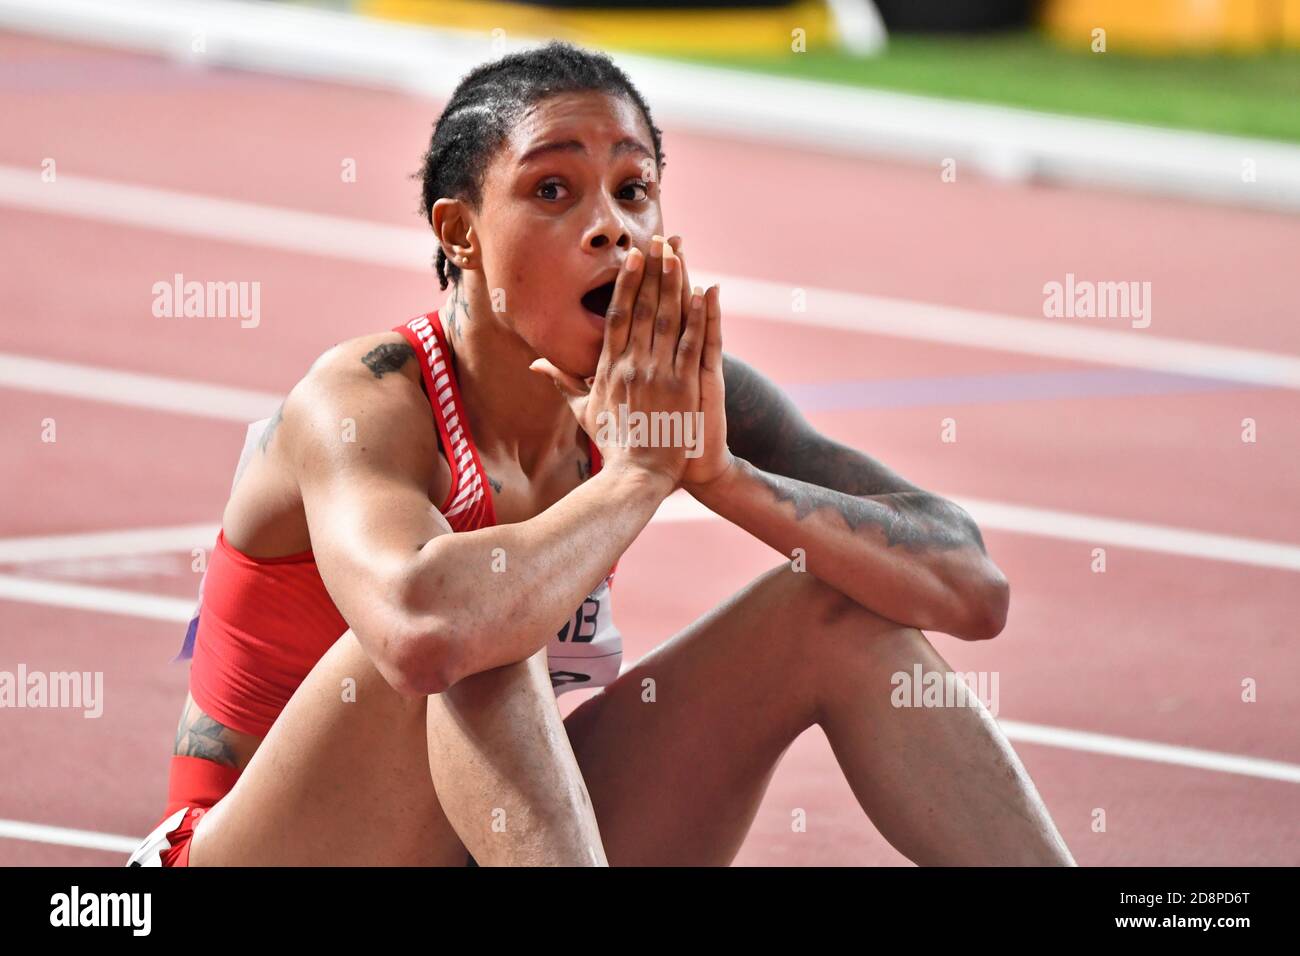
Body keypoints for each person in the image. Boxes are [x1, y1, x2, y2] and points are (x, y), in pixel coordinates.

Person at [127, 41, 1074, 867]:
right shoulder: (364, 399)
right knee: (481, 629)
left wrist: (721, 476)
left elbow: (970, 588)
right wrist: (637, 477)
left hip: (487, 846)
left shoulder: (671, 391)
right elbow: (425, 633)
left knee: (829, 606)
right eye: (553, 190)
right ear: (459, 233)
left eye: (634, 191)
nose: (611, 226)